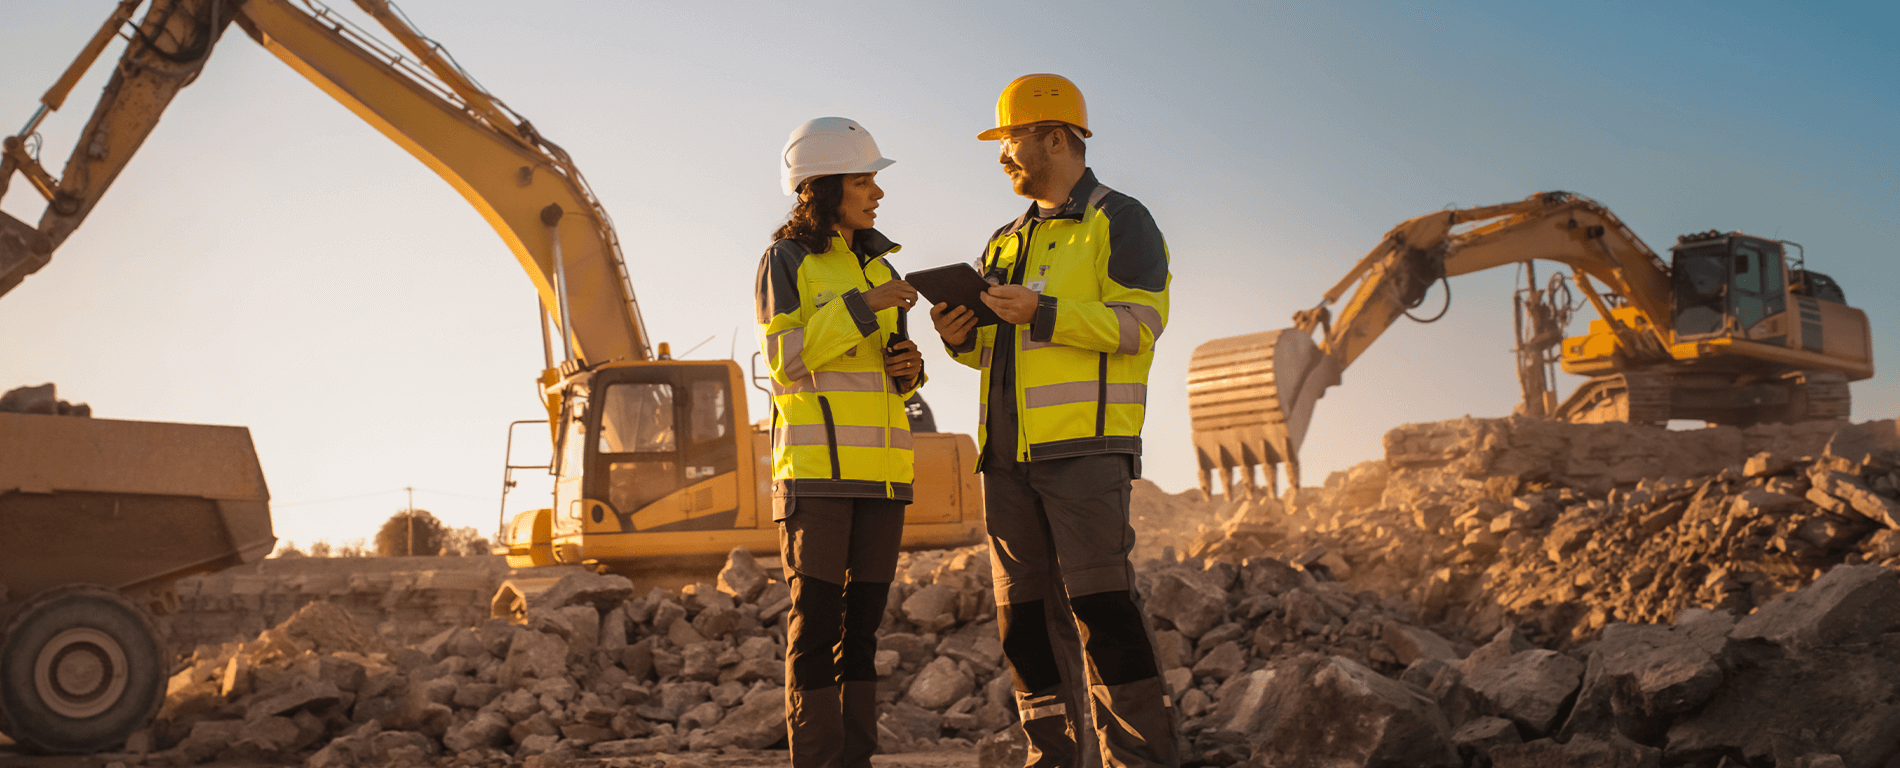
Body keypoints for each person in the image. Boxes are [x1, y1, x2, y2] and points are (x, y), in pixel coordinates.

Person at [931, 74, 1178, 768]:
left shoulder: (1119, 220)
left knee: (1103, 610)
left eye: (1009, 141)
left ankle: (1139, 759)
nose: (1002, 156)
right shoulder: (1004, 240)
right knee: (1027, 629)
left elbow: (1141, 324)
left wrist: (1042, 312)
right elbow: (993, 350)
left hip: (1085, 449)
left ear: (1055, 137)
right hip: (1006, 461)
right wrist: (959, 334)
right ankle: (1055, 759)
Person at [755, 116, 925, 768]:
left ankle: (859, 759)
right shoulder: (786, 261)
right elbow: (785, 359)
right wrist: (865, 304)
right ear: (820, 188)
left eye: (875, 180)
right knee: (816, 629)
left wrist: (910, 365)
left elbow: (881, 368)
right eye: (863, 180)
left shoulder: (878, 265)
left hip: (883, 477)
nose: (876, 192)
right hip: (818, 479)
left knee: (863, 635)